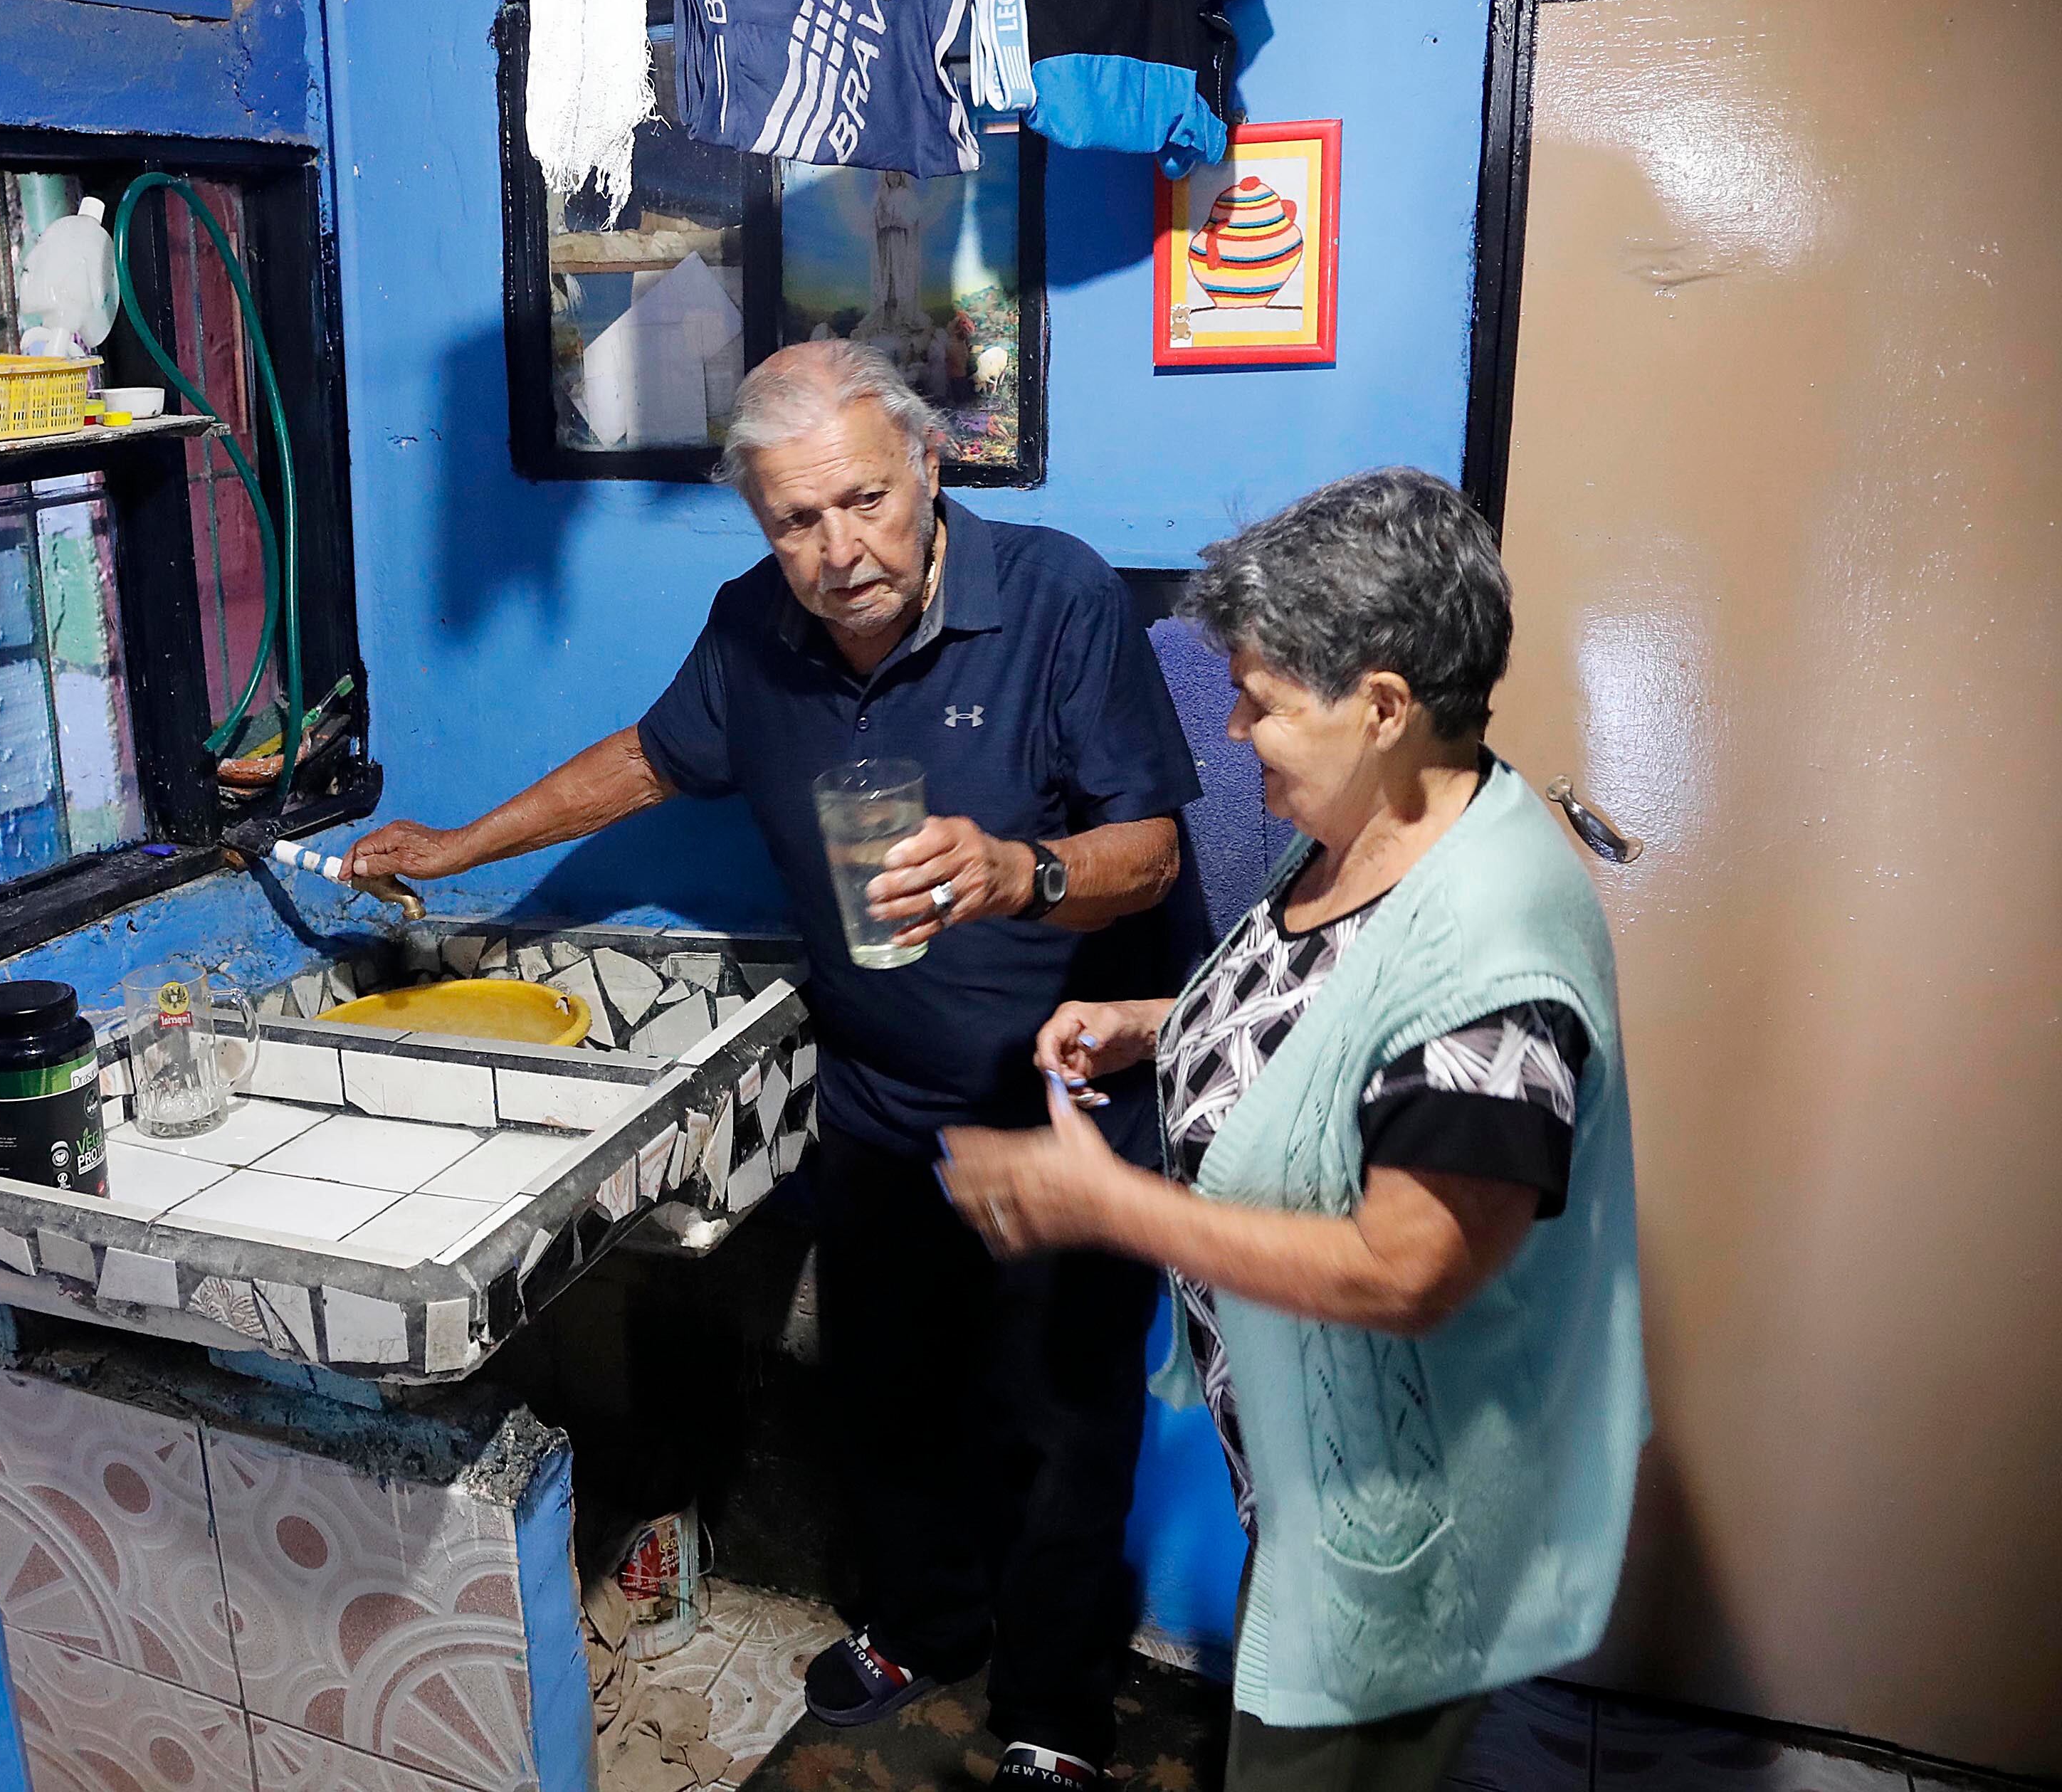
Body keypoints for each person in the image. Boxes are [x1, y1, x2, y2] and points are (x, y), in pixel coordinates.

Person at [351, 341, 1201, 1788]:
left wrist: (1019, 870)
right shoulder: (755, 626)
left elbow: (1153, 853)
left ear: (926, 465)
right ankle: (925, 1623)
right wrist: (455, 846)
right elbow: (646, 759)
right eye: (796, 520)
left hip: (1062, 1108)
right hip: (875, 1104)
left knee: (1060, 1431)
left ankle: (1056, 1713)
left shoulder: (1055, 595)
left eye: (865, 501)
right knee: (888, 1396)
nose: (838, 550)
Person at [938, 468, 1647, 1792]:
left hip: (1404, 1524)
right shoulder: (1380, 825)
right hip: (1317, 1475)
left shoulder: (1491, 956)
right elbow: (1329, 1019)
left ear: (1382, 706)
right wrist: (1158, 1024)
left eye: (1259, 700)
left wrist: (1110, 1204)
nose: (1232, 728)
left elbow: (1407, 1269)